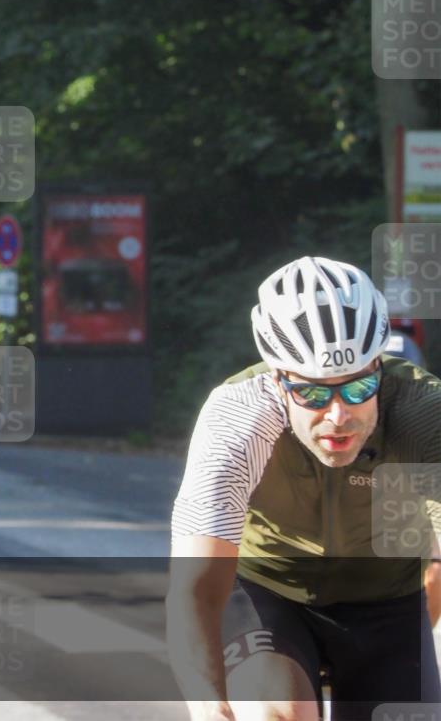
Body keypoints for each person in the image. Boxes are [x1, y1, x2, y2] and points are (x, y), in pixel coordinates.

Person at [167, 256, 441, 721]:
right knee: (279, 711)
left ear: (379, 365)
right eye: (312, 394)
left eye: (357, 388)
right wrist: (209, 706)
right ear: (277, 378)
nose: (338, 415)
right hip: (268, 592)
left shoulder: (424, 414)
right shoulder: (238, 419)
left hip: (387, 601)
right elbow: (194, 588)